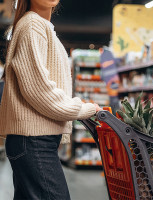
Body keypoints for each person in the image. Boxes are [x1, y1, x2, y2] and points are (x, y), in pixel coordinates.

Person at [0, 0, 102, 199]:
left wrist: (73, 103)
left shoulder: (40, 26)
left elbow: (41, 86)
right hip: (33, 141)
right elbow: (39, 91)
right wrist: (83, 109)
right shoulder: (32, 25)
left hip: (32, 140)